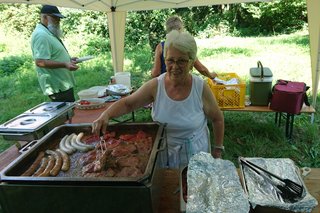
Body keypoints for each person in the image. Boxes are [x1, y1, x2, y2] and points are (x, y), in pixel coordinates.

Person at [92, 30, 224, 169]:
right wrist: (106, 115)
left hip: (195, 153)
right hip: (163, 152)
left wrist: (217, 149)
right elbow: (128, 104)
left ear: (191, 62)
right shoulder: (156, 86)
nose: (175, 66)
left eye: (182, 61)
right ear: (165, 60)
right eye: (170, 60)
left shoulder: (200, 87)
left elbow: (217, 119)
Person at [31, 5, 79, 102]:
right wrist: (64, 64)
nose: (58, 21)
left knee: (69, 113)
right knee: (66, 115)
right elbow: (40, 62)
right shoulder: (41, 35)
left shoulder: (47, 31)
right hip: (57, 85)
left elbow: (53, 54)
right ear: (44, 17)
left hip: (62, 84)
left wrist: (68, 60)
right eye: (55, 18)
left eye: (59, 18)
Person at [151, 15, 217, 79]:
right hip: (182, 82)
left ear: (167, 29)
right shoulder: (184, 46)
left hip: (166, 84)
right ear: (180, 29)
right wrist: (211, 75)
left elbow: (156, 73)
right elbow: (201, 68)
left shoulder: (160, 46)